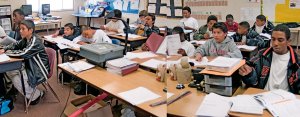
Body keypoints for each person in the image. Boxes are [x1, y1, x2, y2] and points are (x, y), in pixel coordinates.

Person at [238, 24, 300, 94]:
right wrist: (249, 74)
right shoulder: (261, 55)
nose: (275, 43)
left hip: (286, 99)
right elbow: (252, 82)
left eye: (280, 40)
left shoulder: (297, 61)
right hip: (264, 95)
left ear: (288, 41)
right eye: (273, 39)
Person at [0, 20, 49, 105]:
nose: (20, 31)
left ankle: (36, 96)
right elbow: (16, 45)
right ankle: (28, 92)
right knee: (10, 71)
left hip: (38, 69)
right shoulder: (26, 39)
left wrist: (6, 52)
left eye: (23, 29)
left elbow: (24, 53)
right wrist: (5, 49)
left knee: (15, 78)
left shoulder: (36, 41)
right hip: (29, 65)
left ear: (31, 30)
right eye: (20, 29)